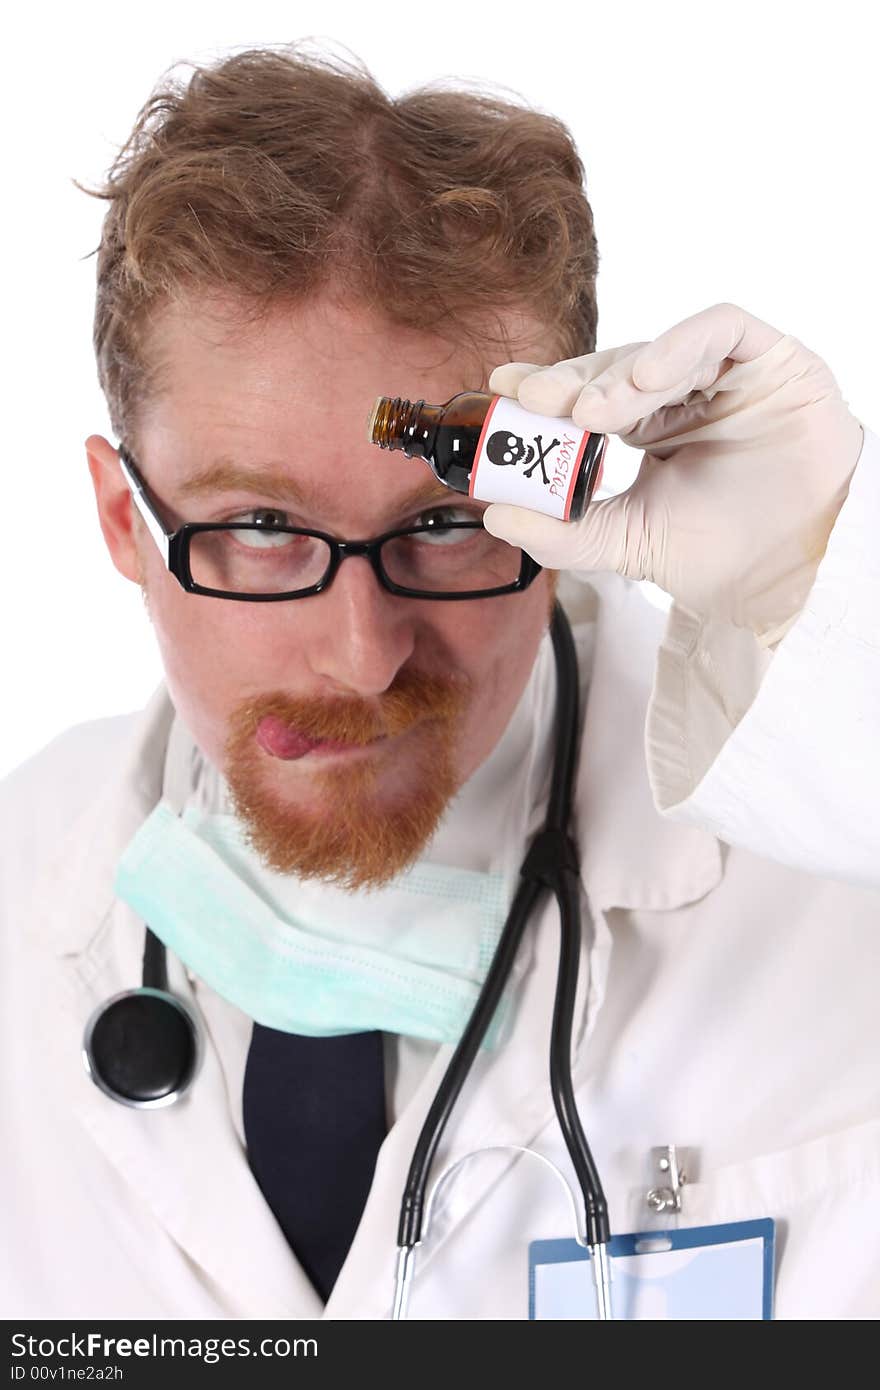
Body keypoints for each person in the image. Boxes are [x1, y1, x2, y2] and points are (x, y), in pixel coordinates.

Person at [2, 43, 878, 1321]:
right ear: (123, 523)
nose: (364, 653)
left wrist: (836, 594)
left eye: (446, 524)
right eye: (259, 524)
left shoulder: (832, 903)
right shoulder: (19, 884)